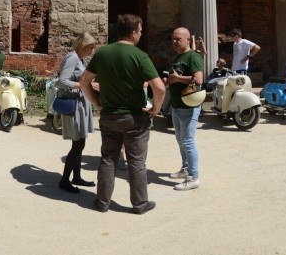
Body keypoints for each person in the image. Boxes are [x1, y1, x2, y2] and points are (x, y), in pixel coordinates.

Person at [79, 14, 165, 215]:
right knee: (136, 161)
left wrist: (97, 103)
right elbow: (159, 88)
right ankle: (139, 204)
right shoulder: (139, 55)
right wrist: (156, 109)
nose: (141, 35)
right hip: (135, 117)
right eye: (141, 31)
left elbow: (84, 81)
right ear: (134, 32)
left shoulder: (102, 54)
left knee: (108, 159)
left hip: (109, 116)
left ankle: (102, 202)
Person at [55, 32, 99, 194]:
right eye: (90, 47)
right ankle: (64, 180)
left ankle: (76, 177)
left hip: (80, 104)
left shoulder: (79, 59)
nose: (92, 50)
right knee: (77, 144)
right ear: (82, 45)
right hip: (74, 105)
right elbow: (62, 81)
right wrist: (85, 85)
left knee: (80, 143)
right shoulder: (72, 58)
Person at [166, 27, 205, 192]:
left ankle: (194, 177)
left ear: (188, 40)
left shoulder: (193, 56)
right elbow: (176, 78)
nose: (175, 42)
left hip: (189, 106)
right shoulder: (179, 57)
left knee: (188, 141)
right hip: (177, 105)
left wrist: (176, 78)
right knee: (180, 140)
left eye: (178, 39)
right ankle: (186, 168)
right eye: (173, 39)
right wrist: (169, 80)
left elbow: (198, 80)